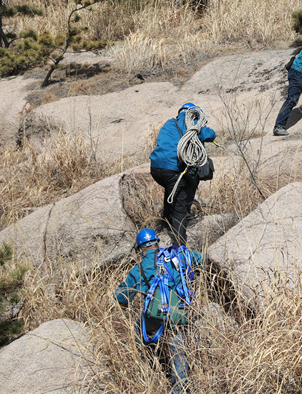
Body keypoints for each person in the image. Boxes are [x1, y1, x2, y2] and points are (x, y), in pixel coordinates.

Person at [116, 229, 204, 394]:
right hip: (180, 313)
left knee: (138, 330)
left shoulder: (140, 268)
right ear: (159, 244)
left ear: (140, 250)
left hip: (156, 317)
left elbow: (122, 298)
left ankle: (147, 366)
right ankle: (180, 390)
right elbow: (203, 259)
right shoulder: (179, 256)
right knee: (178, 352)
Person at [150, 103, 216, 246]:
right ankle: (179, 247)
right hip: (174, 170)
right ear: (194, 114)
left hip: (156, 168)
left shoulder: (169, 123)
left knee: (171, 191)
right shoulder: (193, 125)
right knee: (179, 208)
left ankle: (166, 223)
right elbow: (210, 134)